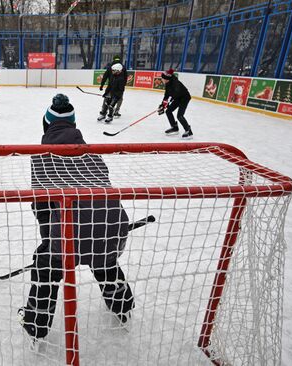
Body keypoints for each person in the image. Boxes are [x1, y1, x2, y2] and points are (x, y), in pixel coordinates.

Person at [18, 94, 134, 341]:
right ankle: (123, 305)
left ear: (46, 124)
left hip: (71, 227)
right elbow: (106, 191)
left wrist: (50, 242)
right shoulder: (92, 152)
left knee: (44, 263)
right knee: (105, 259)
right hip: (113, 225)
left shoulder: (40, 156)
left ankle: (36, 325)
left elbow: (42, 207)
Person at [157, 68, 193, 139]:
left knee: (180, 115)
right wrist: (163, 104)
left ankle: (189, 131)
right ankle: (174, 127)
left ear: (166, 79)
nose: (162, 80)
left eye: (162, 79)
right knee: (168, 111)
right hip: (177, 97)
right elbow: (167, 95)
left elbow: (174, 94)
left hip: (184, 98)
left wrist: (167, 104)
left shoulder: (175, 83)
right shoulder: (168, 83)